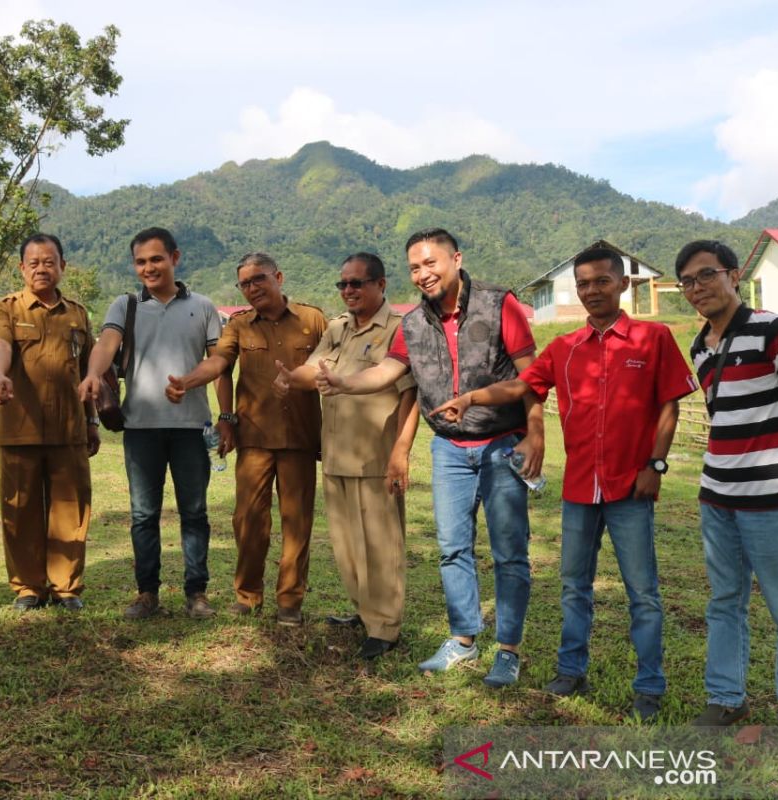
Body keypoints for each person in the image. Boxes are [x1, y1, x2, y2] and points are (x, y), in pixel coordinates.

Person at [432, 246, 696, 718]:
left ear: (622, 284)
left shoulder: (651, 338)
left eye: (601, 281)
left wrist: (655, 466)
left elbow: (669, 406)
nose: (592, 290)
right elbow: (522, 385)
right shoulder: (565, 348)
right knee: (575, 587)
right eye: (584, 283)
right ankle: (570, 671)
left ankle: (649, 685)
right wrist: (470, 397)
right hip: (580, 489)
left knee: (643, 593)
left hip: (631, 489)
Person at [315, 228, 542, 687]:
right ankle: (463, 640)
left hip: (501, 443)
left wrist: (535, 435)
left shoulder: (500, 304)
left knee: (509, 552)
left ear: (455, 259)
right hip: (449, 448)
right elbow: (385, 372)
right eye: (415, 267)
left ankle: (509, 650)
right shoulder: (414, 323)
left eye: (431, 263)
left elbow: (532, 373)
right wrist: (342, 382)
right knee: (452, 549)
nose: (423, 274)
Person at [676, 240, 778, 754]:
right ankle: (726, 698)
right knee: (723, 602)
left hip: (770, 496)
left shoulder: (775, 329)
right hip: (717, 495)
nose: (698, 288)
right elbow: (722, 418)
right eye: (688, 282)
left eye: (706, 275)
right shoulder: (700, 348)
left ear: (734, 275)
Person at [167, 253, 326, 626]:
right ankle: (248, 594)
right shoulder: (239, 325)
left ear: (279, 277)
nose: (252, 288)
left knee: (297, 522)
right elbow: (219, 363)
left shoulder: (313, 320)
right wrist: (188, 382)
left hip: (301, 439)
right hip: (253, 436)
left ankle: (289, 601)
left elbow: (333, 363)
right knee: (248, 520)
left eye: (259, 279)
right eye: (245, 283)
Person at [272, 253, 418, 659]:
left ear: (380, 285)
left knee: (381, 545)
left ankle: (385, 628)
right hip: (336, 452)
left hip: (376, 456)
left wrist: (400, 453)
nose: (349, 291)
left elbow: (410, 395)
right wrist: (291, 379)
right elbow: (313, 369)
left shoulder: (399, 330)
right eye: (343, 284)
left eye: (357, 283)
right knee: (348, 544)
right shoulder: (337, 329)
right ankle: (364, 612)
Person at [78, 227, 224, 620]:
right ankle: (147, 593)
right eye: (141, 261)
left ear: (175, 258)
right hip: (140, 427)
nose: (149, 268)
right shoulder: (124, 305)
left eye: (156, 259)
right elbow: (106, 344)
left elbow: (219, 361)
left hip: (192, 425)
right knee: (144, 514)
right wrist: (93, 373)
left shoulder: (204, 306)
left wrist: (191, 384)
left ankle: (197, 593)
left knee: (194, 512)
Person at [0, 233, 99, 612]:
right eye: (34, 263)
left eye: (49, 262)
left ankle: (66, 587)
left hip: (69, 429)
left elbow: (88, 372)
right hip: (20, 427)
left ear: (63, 266)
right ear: (22, 268)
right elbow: (0, 345)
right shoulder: (6, 309)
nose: (42, 269)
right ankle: (28, 587)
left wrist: (92, 421)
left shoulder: (78, 314)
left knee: (71, 510)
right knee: (20, 510)